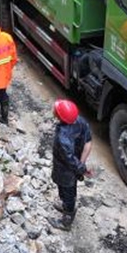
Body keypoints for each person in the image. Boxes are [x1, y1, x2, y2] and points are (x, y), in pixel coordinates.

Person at [49, 99, 92, 231]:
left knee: (67, 191)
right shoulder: (80, 121)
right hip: (74, 167)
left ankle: (66, 219)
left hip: (64, 169)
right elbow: (88, 142)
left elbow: (69, 159)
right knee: (69, 189)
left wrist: (82, 169)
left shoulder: (62, 137)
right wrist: (81, 165)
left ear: (59, 117)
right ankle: (65, 205)